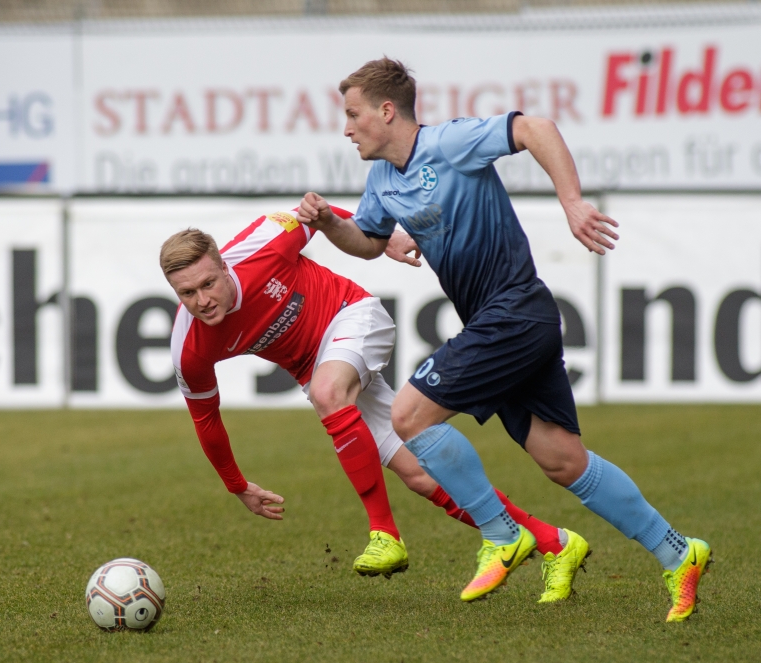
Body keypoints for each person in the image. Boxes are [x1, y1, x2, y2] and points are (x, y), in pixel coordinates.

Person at [296, 57, 710, 621]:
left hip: (515, 311)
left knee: (410, 416)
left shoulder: (449, 143)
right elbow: (369, 242)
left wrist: (571, 203)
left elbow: (536, 128)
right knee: (563, 461)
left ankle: (501, 532)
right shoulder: (382, 181)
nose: (346, 128)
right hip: (500, 322)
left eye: (352, 114)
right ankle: (678, 552)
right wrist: (327, 224)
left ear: (386, 111)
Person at [161, 214, 591, 602]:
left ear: (223, 265)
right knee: (420, 475)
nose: (202, 300)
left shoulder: (264, 243)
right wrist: (237, 485)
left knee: (330, 394)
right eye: (187, 293)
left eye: (208, 284)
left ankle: (384, 532)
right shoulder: (190, 349)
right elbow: (206, 420)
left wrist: (381, 240)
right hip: (316, 367)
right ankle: (554, 541)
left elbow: (320, 216)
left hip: (352, 315)